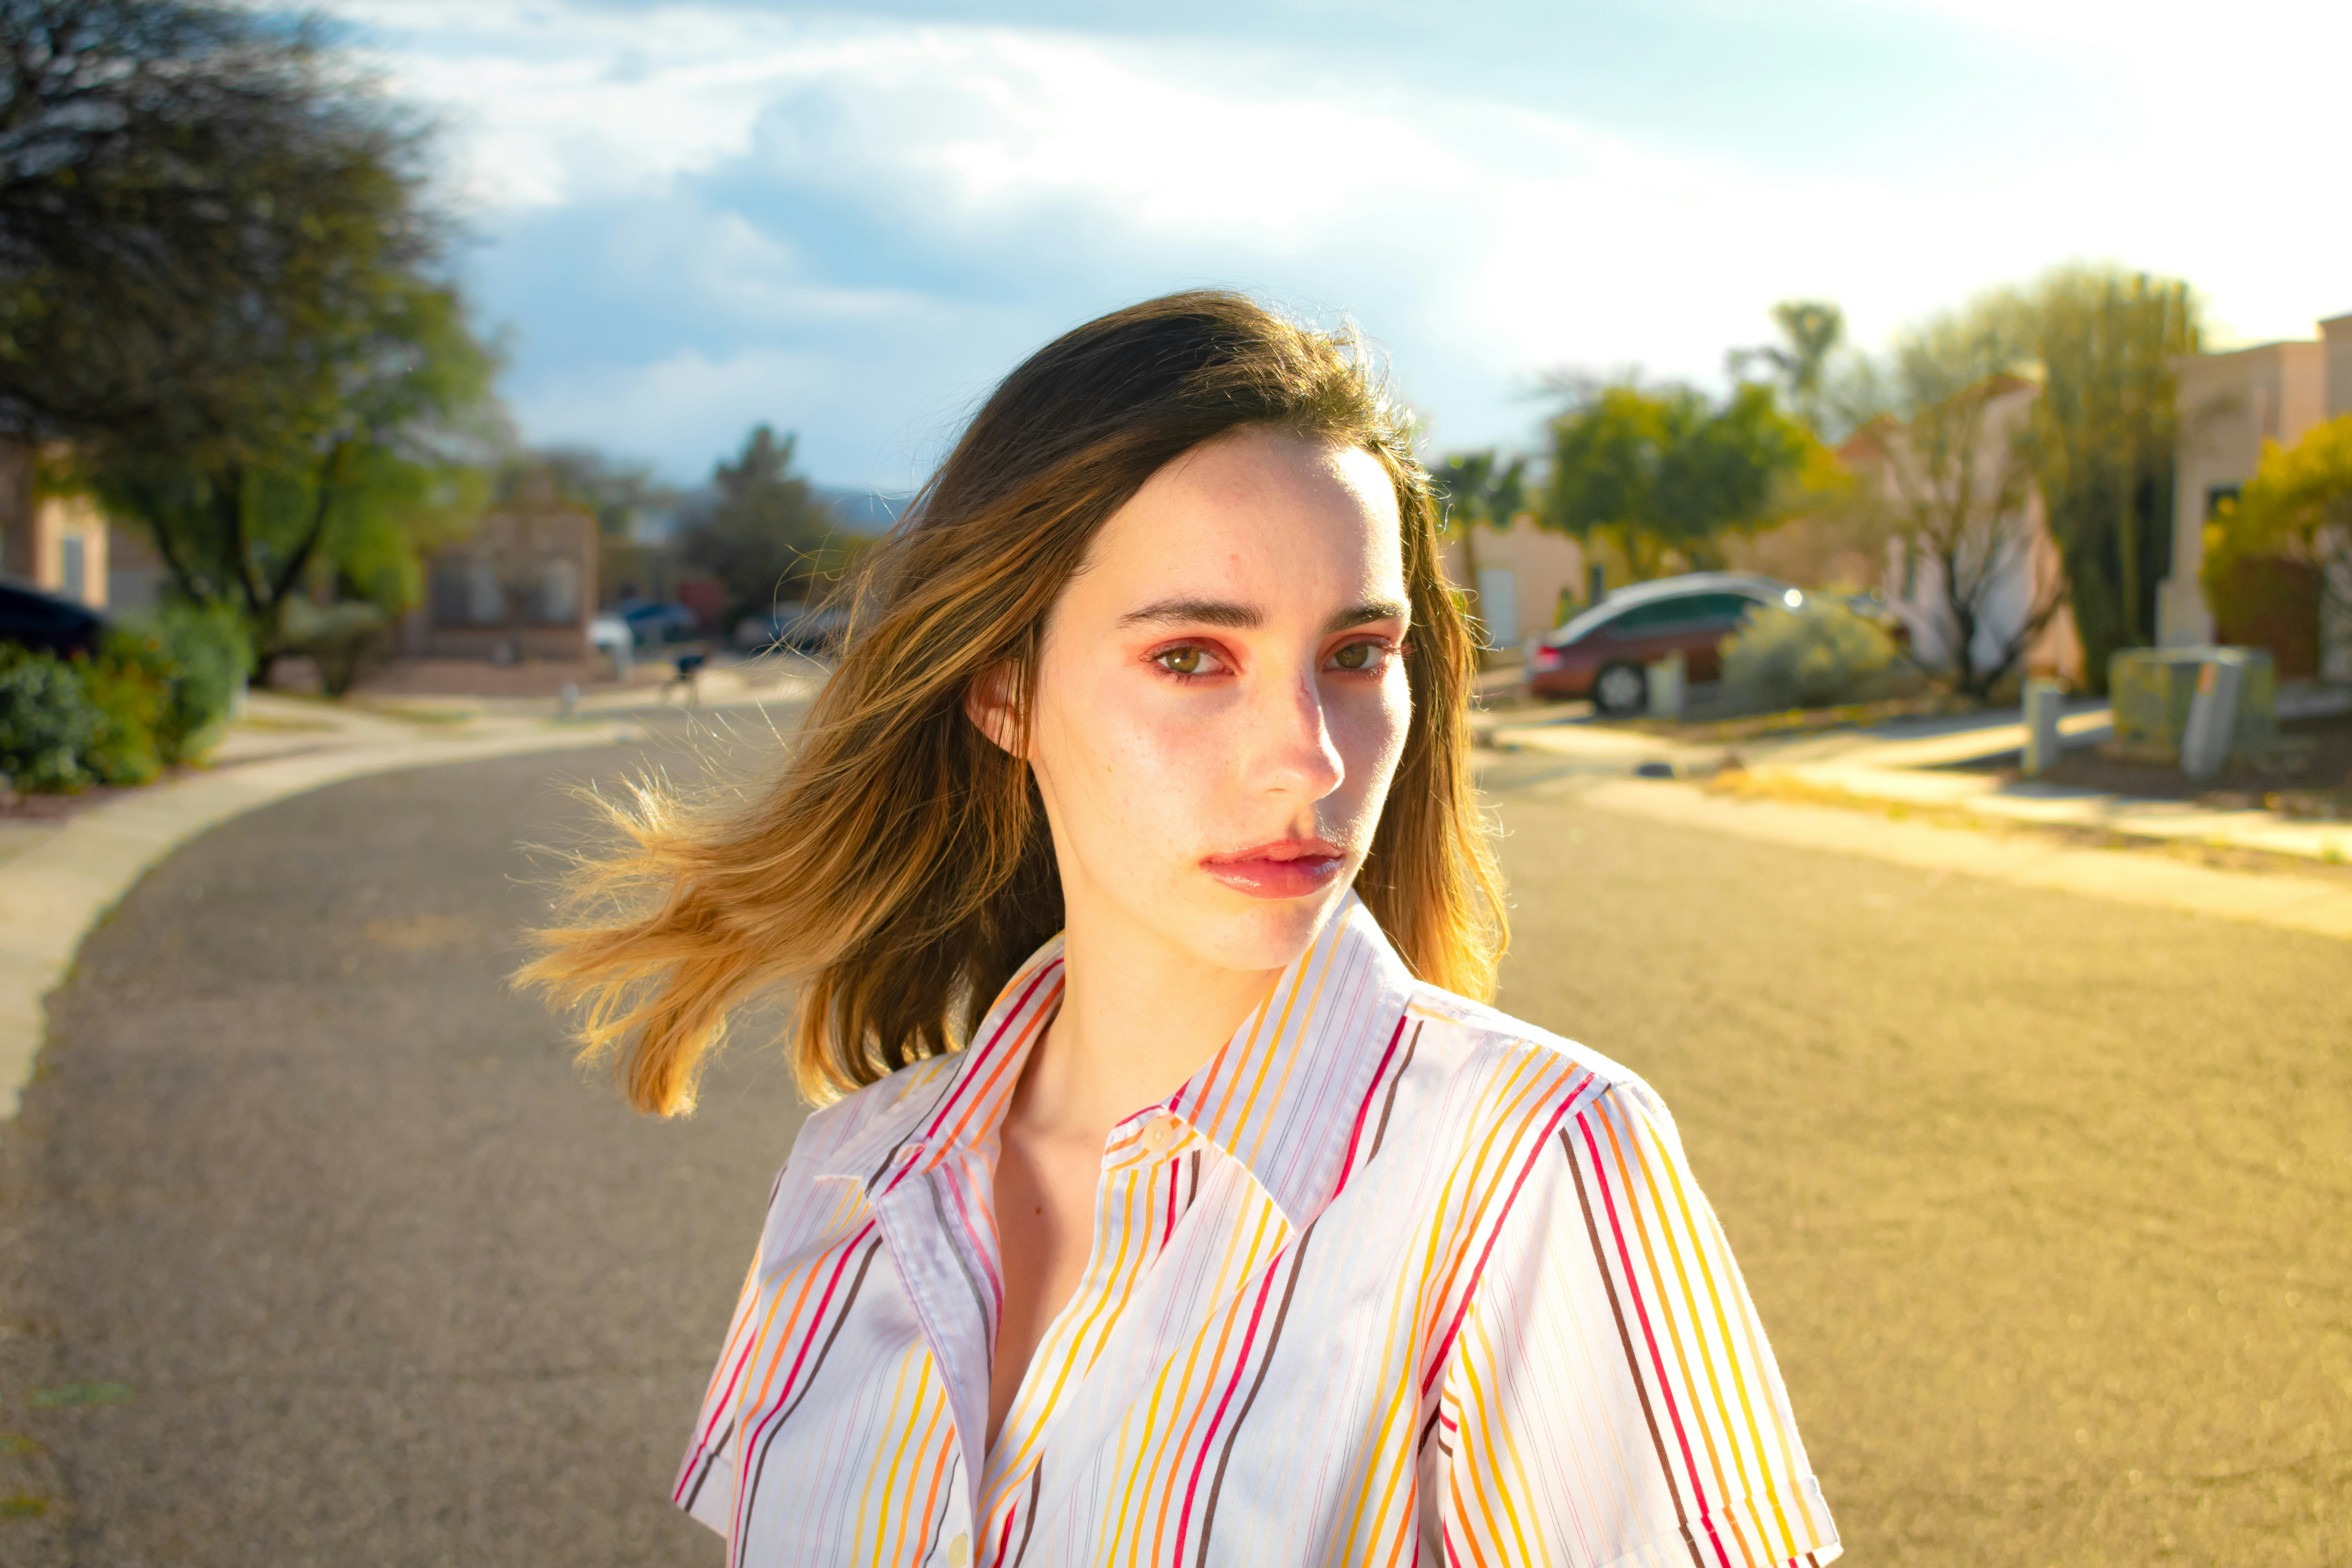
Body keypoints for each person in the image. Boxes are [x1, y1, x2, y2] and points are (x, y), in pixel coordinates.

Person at [524, 292, 1840, 1566]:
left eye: (1356, 654)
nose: (1309, 761)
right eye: (1193, 657)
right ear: (1004, 690)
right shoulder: (852, 1176)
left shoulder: (1537, 1169)